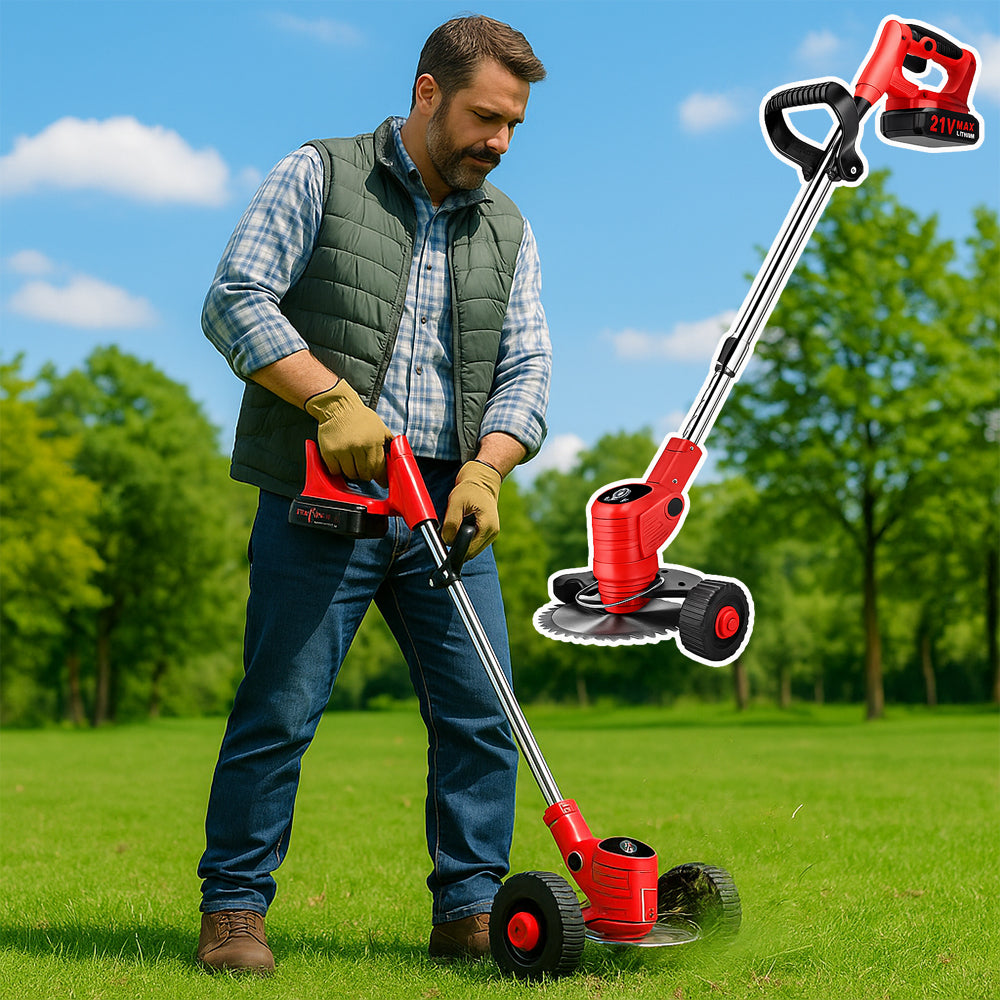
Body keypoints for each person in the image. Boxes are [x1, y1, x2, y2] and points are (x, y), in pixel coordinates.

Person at [195, 15, 550, 976]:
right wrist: (331, 400)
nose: (499, 141)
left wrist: (488, 468)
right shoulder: (320, 173)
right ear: (427, 93)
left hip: (448, 505)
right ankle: (234, 910)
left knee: (482, 713)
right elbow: (234, 297)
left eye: (513, 125)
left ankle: (470, 910)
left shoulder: (507, 226)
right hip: (328, 485)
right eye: (484, 117)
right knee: (280, 708)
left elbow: (527, 368)